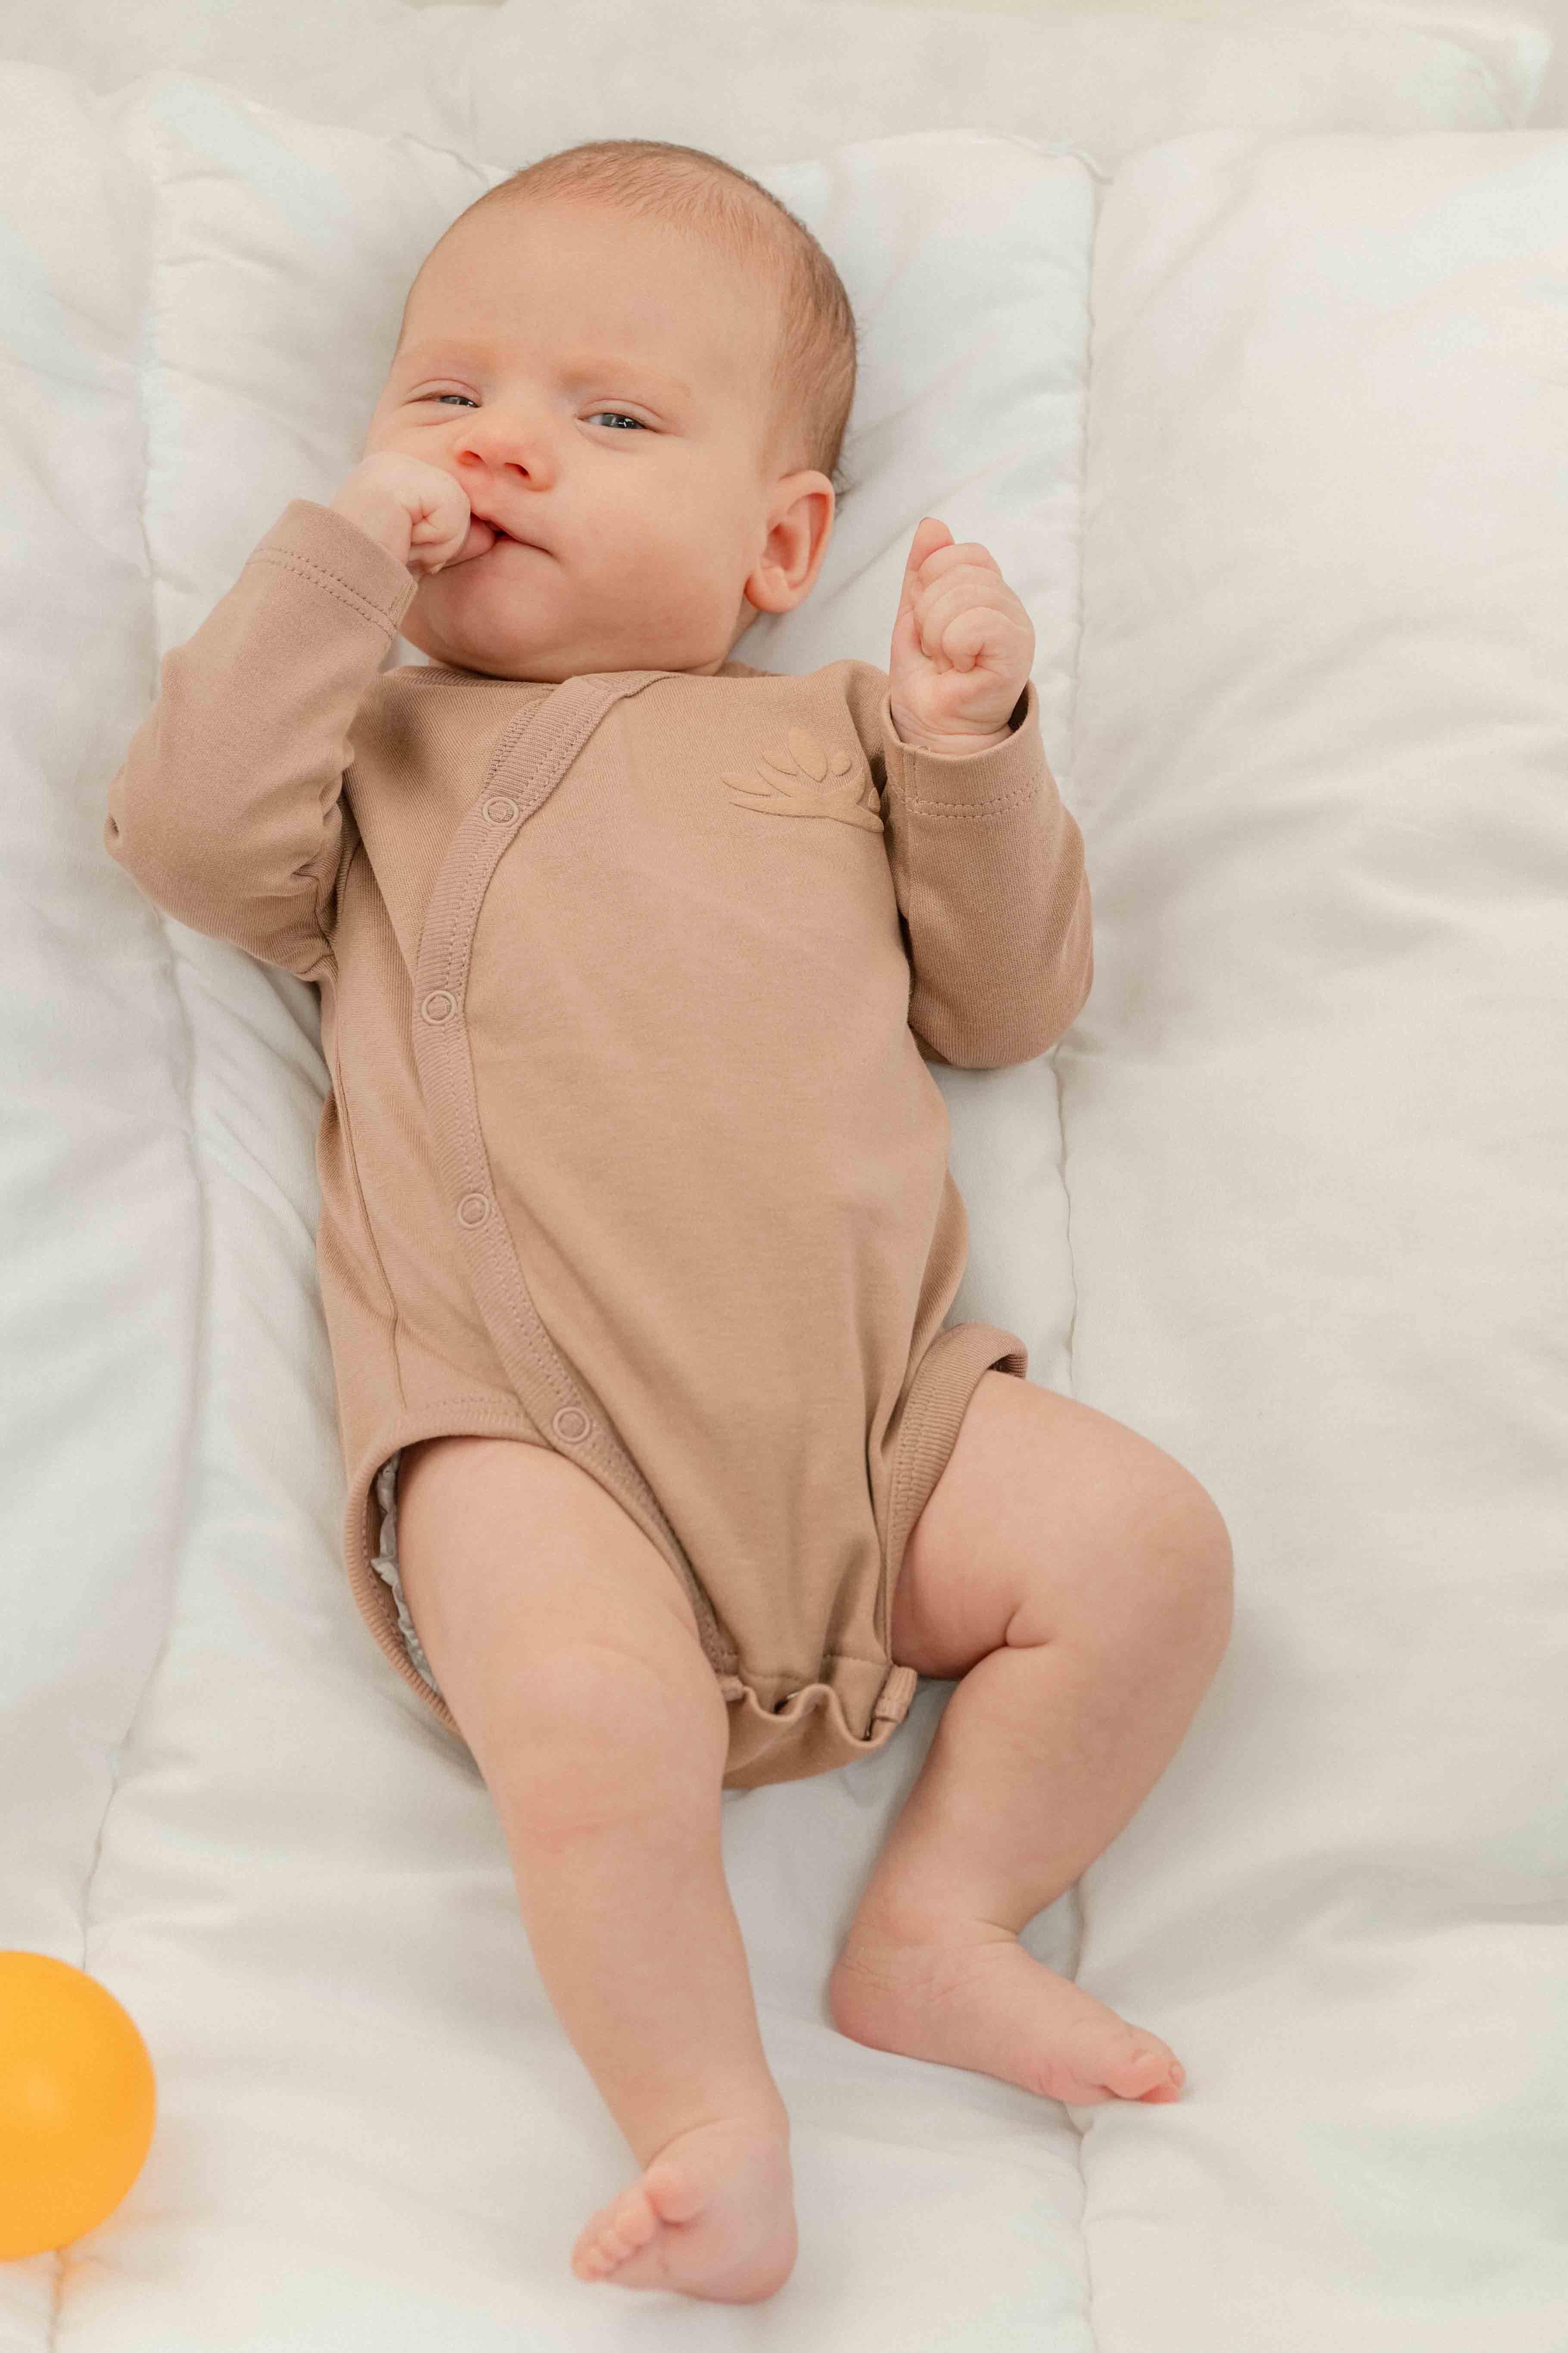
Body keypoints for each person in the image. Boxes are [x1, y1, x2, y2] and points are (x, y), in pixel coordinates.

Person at [104, 138, 1233, 2306]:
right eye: (448, 397)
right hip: (534, 1435)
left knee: (1145, 1549)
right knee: (586, 1720)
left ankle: (939, 1919)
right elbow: (183, 835)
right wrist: (336, 569)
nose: (506, 445)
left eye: (613, 416)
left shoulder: (834, 742)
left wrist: (971, 744)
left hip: (879, 1434)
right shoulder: (380, 750)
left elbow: (1011, 1003)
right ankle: (708, 2115)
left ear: (779, 544)